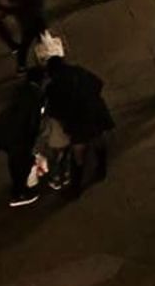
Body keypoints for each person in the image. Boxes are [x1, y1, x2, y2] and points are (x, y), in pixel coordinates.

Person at [44, 55, 114, 198]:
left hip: (78, 122)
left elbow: (55, 111)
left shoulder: (53, 87)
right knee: (99, 139)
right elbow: (98, 83)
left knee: (78, 154)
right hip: (96, 112)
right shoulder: (78, 71)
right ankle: (101, 169)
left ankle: (76, 187)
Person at [0, 70, 46, 207]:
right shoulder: (36, 97)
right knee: (21, 164)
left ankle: (18, 187)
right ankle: (19, 193)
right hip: (17, 139)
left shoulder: (20, 90)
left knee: (15, 162)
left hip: (3, 133)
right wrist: (33, 147)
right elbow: (32, 125)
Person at [9, 0, 48, 74]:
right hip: (34, 20)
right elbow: (37, 8)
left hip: (25, 20)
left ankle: (22, 66)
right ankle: (43, 63)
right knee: (39, 41)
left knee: (26, 43)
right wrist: (43, 23)